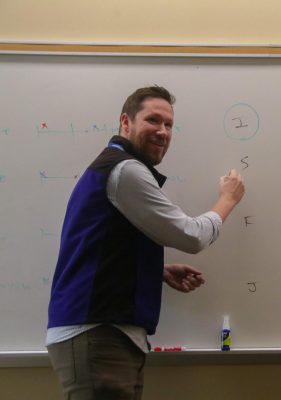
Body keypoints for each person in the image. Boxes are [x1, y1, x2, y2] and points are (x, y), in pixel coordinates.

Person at [46, 86, 245, 399]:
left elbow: (102, 244)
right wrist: (228, 200)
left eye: (169, 124)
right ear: (126, 122)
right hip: (98, 335)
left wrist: (155, 269)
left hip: (107, 336)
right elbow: (192, 236)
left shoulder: (117, 168)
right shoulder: (125, 170)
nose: (163, 131)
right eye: (153, 120)